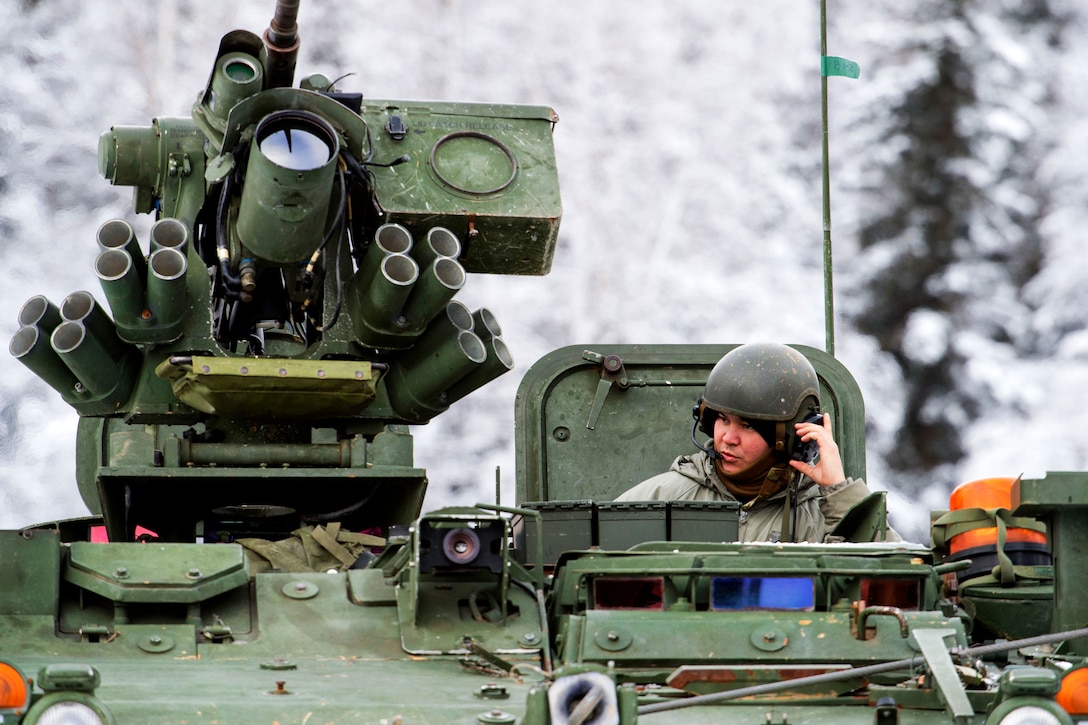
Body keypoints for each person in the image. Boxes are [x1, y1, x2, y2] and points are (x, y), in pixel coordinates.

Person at [615, 342, 900, 543]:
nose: (727, 437)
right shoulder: (666, 496)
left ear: (788, 437)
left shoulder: (822, 513)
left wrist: (838, 492)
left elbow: (897, 575)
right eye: (722, 419)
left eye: (747, 425)